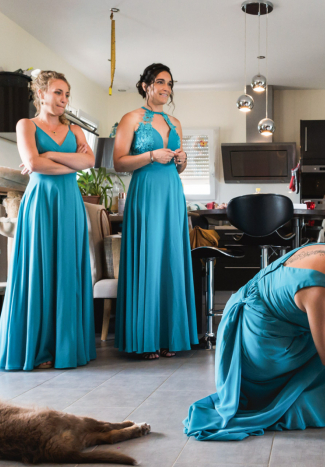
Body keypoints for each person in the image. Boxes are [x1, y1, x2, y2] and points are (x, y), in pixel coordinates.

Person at [183, 230, 325, 440]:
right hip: (261, 348)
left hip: (250, 322)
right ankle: (306, 399)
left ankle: (312, 392)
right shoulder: (318, 293)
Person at [0, 71, 96, 371]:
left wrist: (48, 155)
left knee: (67, 270)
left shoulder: (74, 130)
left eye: (66, 95)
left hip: (69, 204)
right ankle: (38, 348)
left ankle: (65, 347)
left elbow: (88, 162)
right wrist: (61, 161)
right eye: (58, 93)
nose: (64, 100)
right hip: (40, 203)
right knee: (38, 269)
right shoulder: (26, 125)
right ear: (41, 94)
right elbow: (33, 164)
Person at [112, 63, 198, 360]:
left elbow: (178, 167)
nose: (166, 88)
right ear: (146, 85)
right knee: (148, 258)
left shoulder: (175, 122)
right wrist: (150, 155)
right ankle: (145, 338)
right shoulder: (131, 119)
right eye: (160, 82)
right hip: (146, 193)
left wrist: (182, 160)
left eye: (170, 84)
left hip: (172, 194)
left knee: (171, 258)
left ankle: (169, 337)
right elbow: (119, 163)